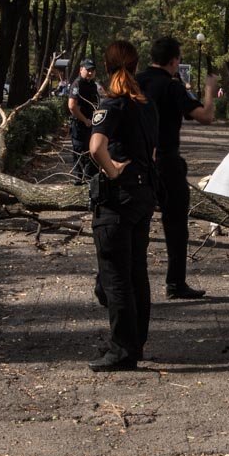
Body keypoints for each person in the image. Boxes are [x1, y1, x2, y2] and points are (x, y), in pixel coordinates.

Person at [88, 40, 159, 371]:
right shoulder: (147, 106)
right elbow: (152, 150)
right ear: (136, 65)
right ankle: (135, 343)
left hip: (118, 199)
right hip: (143, 195)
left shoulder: (112, 104)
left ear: (107, 66)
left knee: (115, 276)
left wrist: (113, 170)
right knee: (136, 273)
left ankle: (122, 350)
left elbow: (95, 147)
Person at [137, 36, 214, 300]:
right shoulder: (172, 86)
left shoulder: (136, 81)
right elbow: (205, 116)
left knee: (131, 223)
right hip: (166, 162)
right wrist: (210, 90)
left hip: (136, 160)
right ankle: (175, 283)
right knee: (176, 224)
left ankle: (112, 282)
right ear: (174, 61)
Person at [67, 58, 99, 183]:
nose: (90, 73)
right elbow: (72, 106)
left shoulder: (93, 85)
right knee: (79, 153)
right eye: (88, 70)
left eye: (92, 70)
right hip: (80, 125)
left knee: (90, 153)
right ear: (81, 69)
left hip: (91, 125)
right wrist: (85, 120)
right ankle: (78, 180)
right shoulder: (77, 84)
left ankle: (90, 181)